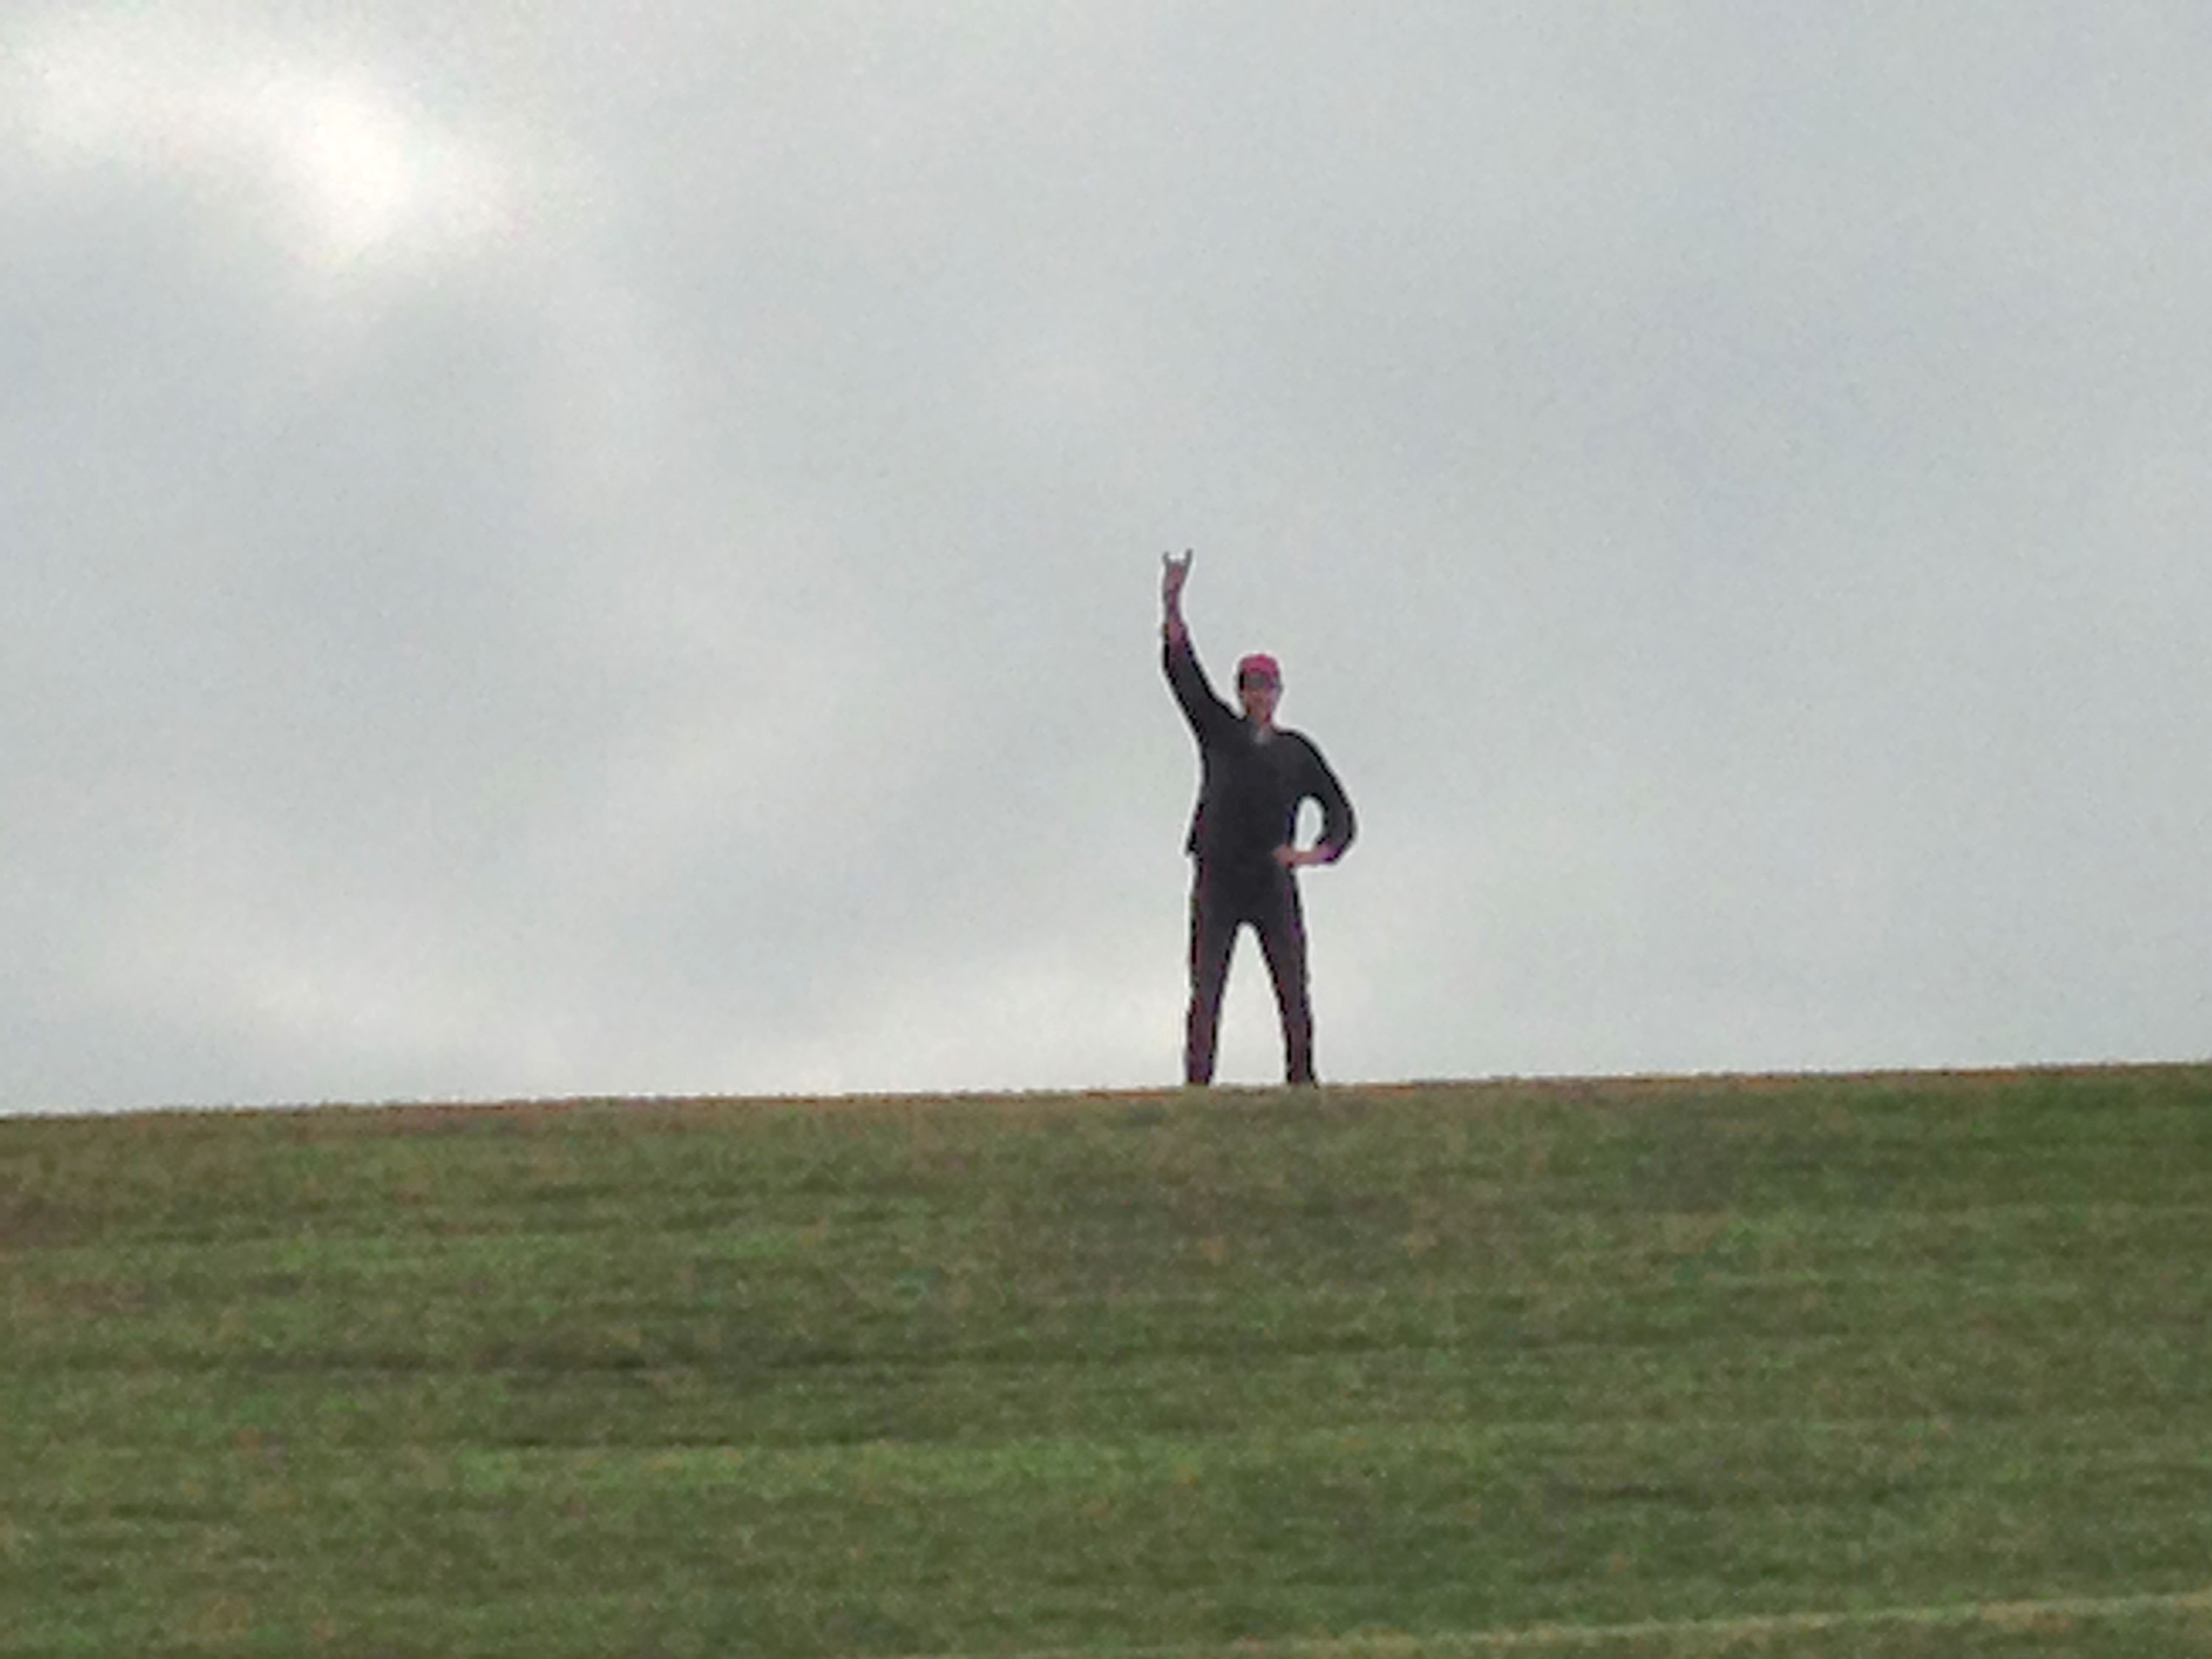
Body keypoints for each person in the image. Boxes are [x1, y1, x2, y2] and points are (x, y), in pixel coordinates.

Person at [1160, 549, 1356, 1086]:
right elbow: (1186, 681)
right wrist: (1173, 606)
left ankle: (1302, 1083)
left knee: (1293, 988)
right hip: (1219, 876)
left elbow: (1341, 816)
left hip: (1272, 880)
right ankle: (1197, 1087)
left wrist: (1313, 854)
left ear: (1279, 693)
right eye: (1250, 686)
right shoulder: (1221, 731)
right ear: (1242, 692)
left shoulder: (1297, 752)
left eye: (1267, 687)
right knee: (1206, 989)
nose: (1259, 696)